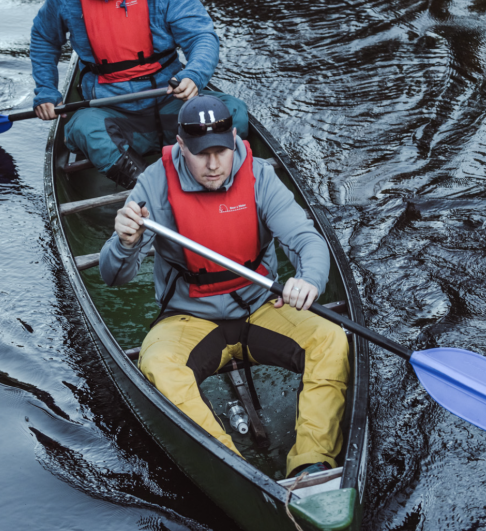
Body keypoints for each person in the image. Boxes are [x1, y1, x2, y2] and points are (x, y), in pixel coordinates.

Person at [99, 95, 349, 478]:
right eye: (201, 153)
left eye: (221, 150)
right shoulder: (153, 185)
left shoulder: (261, 176)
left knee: (332, 340)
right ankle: (235, 469)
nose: (214, 164)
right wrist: (124, 244)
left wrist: (308, 279)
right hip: (189, 318)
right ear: (181, 146)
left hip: (261, 308)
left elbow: (307, 241)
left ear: (234, 138)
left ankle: (312, 463)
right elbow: (114, 277)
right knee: (158, 364)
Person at [30, 0, 249, 189]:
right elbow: (44, 38)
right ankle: (152, 188)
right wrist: (46, 89)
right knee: (83, 129)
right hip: (114, 114)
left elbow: (200, 36)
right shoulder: (65, 3)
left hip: (173, 105)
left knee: (233, 113)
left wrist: (193, 75)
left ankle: (212, 178)